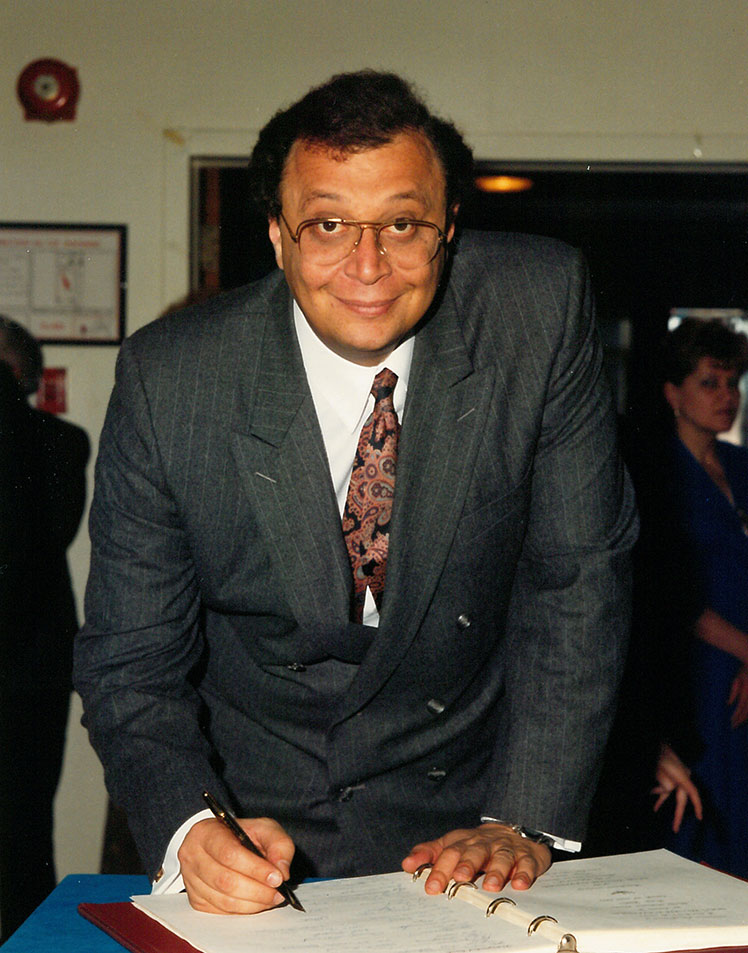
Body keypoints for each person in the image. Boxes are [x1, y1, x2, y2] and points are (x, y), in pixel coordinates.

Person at [74, 70, 637, 916]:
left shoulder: (537, 310)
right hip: (245, 805)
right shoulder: (173, 378)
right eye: (329, 224)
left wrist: (525, 816)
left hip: (468, 820)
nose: (368, 266)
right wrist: (191, 823)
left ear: (449, 225)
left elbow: (576, 582)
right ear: (277, 234)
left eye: (403, 224)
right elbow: (130, 657)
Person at [0, 317, 89, 940]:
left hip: (33, 663)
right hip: (35, 663)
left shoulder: (54, 442)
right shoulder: (61, 442)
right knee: (28, 830)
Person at [658, 317, 748, 878]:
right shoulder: (657, 471)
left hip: (744, 668)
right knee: (696, 826)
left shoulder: (742, 466)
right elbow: (670, 594)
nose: (727, 396)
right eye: (710, 383)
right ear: (673, 392)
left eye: (733, 383)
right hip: (698, 672)